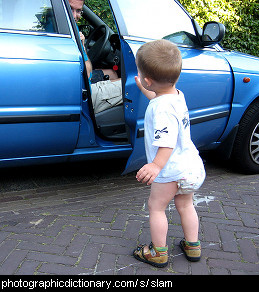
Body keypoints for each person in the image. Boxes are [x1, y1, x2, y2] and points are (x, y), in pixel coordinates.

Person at [133, 40, 206, 267]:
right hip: (190, 166)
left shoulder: (160, 108)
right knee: (185, 205)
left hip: (170, 169)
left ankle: (158, 252)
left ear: (148, 78)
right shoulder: (176, 95)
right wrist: (144, 87)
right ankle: (193, 247)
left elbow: (166, 142)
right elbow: (159, 95)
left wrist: (155, 165)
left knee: (156, 207)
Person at [69, 0, 122, 114]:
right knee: (133, 85)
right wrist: (82, 47)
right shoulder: (70, 35)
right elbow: (87, 74)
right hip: (82, 93)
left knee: (112, 73)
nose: (74, 15)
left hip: (76, 84)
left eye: (78, 11)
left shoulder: (69, 28)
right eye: (70, 9)